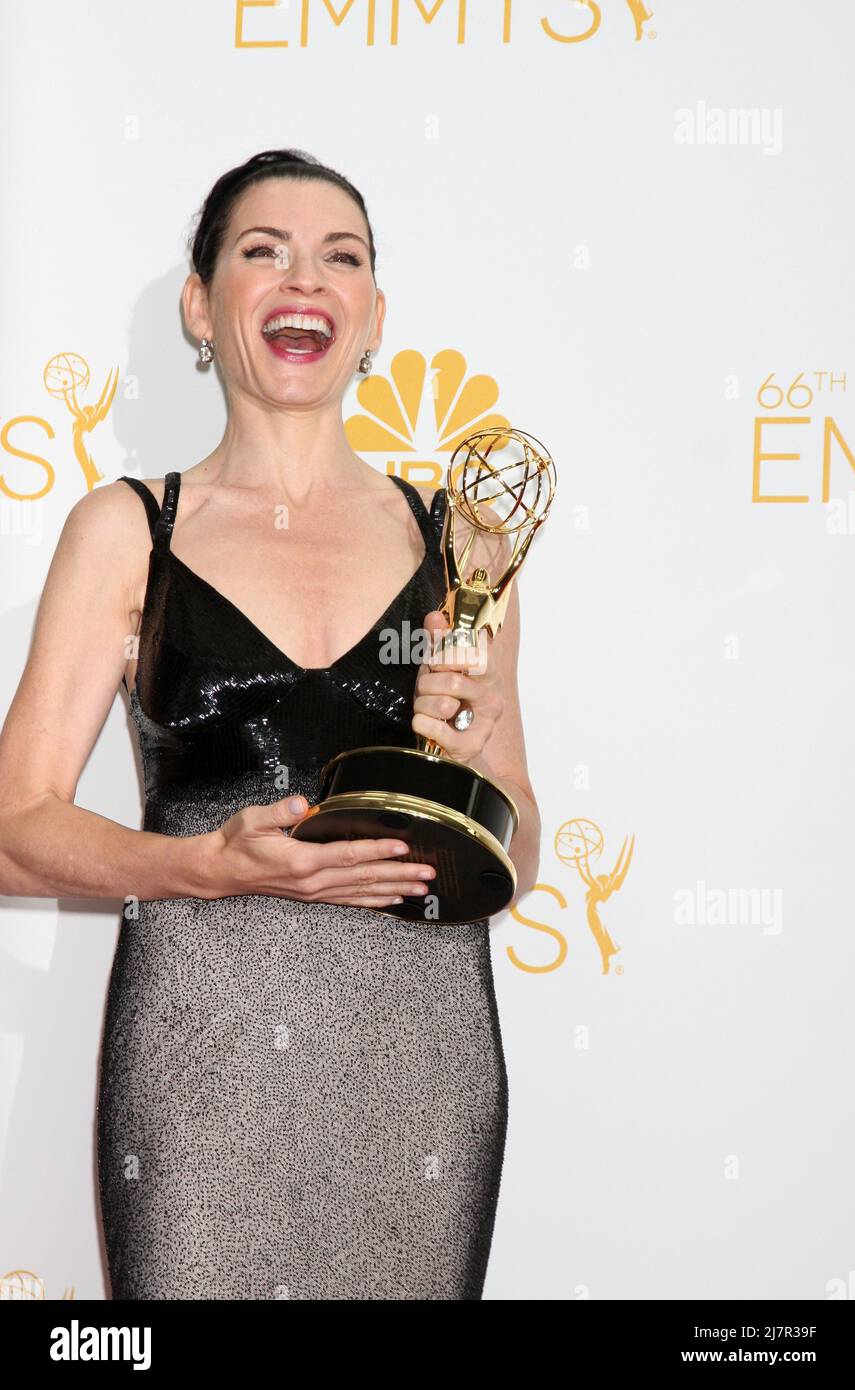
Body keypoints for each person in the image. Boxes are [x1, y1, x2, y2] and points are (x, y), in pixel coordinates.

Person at [0, 149, 541, 1300]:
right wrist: (198, 866)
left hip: (419, 1061)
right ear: (201, 305)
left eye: (339, 257)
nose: (306, 280)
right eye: (263, 252)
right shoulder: (128, 528)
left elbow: (522, 847)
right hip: (202, 1060)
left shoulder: (465, 545)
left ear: (373, 317)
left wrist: (476, 780)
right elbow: (12, 829)